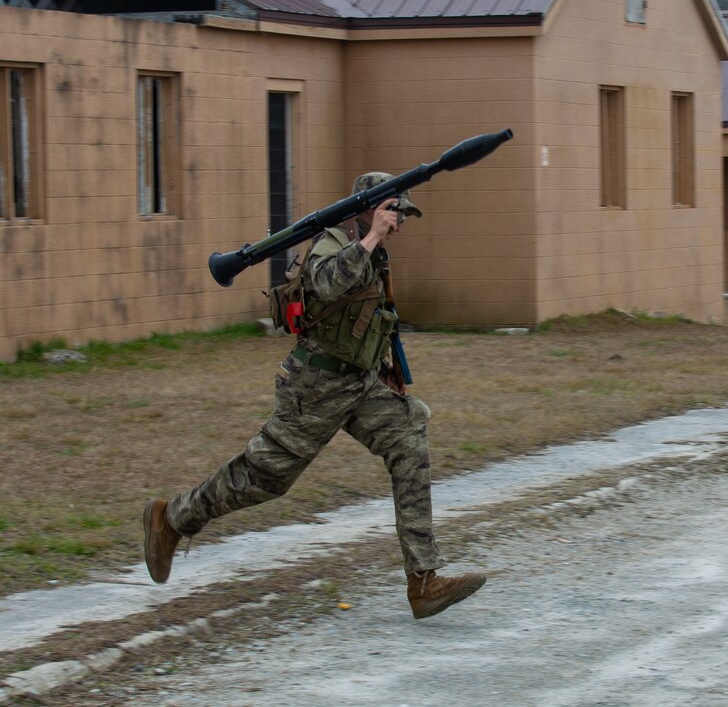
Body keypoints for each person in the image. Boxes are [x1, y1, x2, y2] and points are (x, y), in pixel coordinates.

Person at [143, 172, 486, 619]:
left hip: (357, 383)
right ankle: (171, 519)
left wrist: (385, 368)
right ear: (370, 208)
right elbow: (325, 285)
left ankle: (423, 580)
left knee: (408, 432)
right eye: (392, 213)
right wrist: (369, 242)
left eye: (401, 216)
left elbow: (368, 316)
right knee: (266, 477)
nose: (398, 224)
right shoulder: (333, 241)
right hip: (315, 386)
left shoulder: (373, 250)